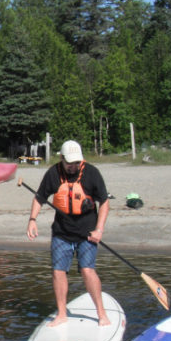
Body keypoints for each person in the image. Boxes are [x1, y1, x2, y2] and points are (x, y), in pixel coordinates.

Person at [26, 140, 112, 327]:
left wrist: (99, 229)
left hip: (88, 232)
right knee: (58, 272)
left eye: (76, 163)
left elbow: (104, 202)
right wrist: (32, 220)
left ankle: (102, 313)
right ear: (61, 159)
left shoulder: (92, 173)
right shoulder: (53, 174)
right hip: (61, 232)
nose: (73, 166)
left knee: (87, 270)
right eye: (69, 163)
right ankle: (62, 314)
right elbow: (40, 197)